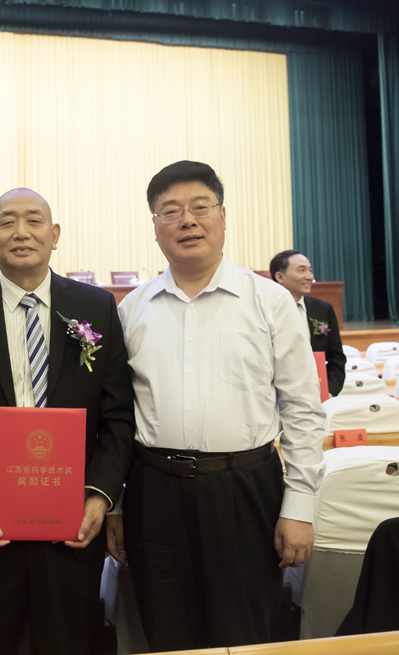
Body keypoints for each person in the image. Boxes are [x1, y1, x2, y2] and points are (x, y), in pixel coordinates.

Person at [107, 160, 326, 652]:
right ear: (155, 227)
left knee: (244, 634)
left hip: (244, 492)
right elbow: (117, 418)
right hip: (153, 495)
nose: (187, 220)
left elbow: (303, 410)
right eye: (171, 211)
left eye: (200, 207)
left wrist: (300, 507)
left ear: (223, 217)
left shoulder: (271, 302)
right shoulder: (131, 309)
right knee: (166, 634)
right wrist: (116, 503)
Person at [0, 188, 135, 655]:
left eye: (34, 220)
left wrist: (99, 496)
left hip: (70, 532)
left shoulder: (97, 308)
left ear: (54, 234)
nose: (21, 232)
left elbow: (119, 416)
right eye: (7, 222)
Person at [270, 250, 347, 397]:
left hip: (317, 394)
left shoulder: (323, 310)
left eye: (310, 270)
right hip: (276, 396)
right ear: (280, 277)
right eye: (301, 270)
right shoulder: (266, 310)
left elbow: (336, 358)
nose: (309, 277)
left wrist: (329, 391)